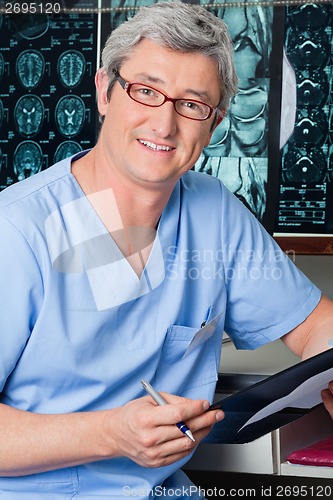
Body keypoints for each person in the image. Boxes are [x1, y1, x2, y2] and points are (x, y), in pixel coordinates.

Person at [0, 2, 333, 498]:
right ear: (103, 91)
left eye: (192, 104)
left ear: (216, 122)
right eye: (146, 91)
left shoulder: (213, 213)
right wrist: (108, 435)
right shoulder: (18, 230)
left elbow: (314, 325)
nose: (164, 123)